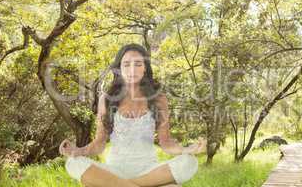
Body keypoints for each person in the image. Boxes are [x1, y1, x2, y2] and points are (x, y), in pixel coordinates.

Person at [59, 43, 207, 187]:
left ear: (145, 68)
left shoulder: (158, 98)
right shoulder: (107, 99)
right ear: (118, 69)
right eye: (126, 64)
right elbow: (99, 144)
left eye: (137, 64)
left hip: (149, 171)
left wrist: (186, 150)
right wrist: (78, 151)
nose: (132, 70)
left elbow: (166, 142)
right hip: (114, 170)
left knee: (189, 162)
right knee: (74, 163)